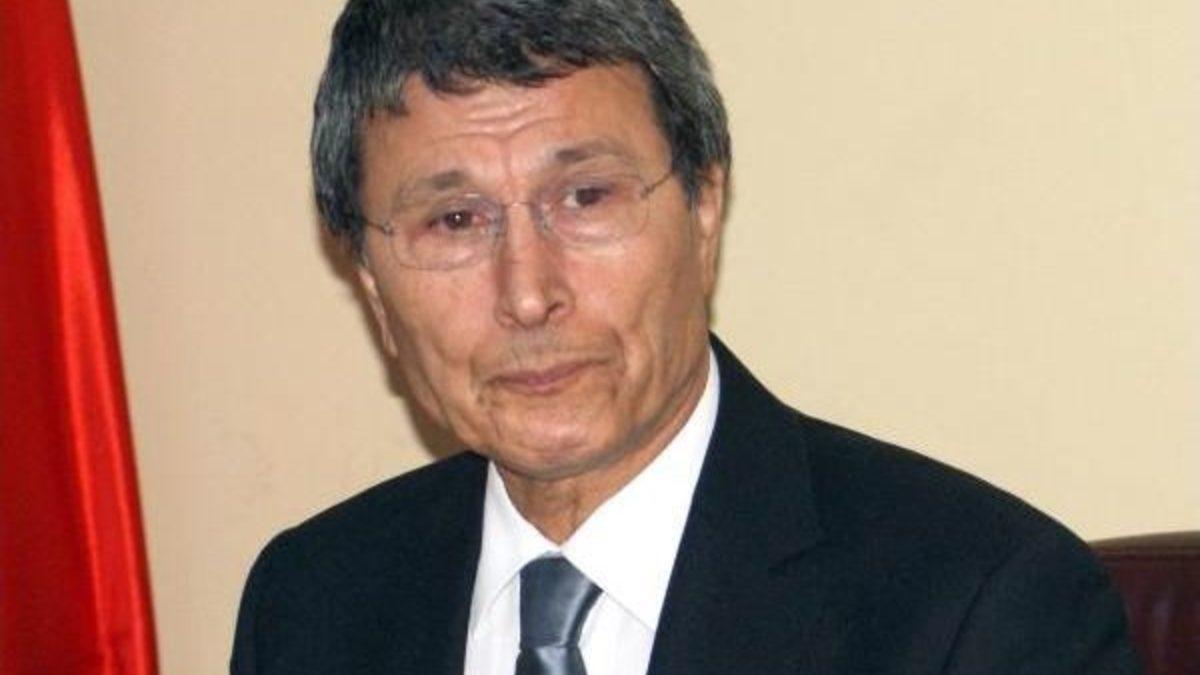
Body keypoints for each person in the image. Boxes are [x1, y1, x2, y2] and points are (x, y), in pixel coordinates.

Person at [231, 1, 1138, 673]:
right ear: (372, 285)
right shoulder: (310, 603)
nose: (529, 294)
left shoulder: (979, 609)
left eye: (585, 197)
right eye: (456, 220)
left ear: (704, 208)